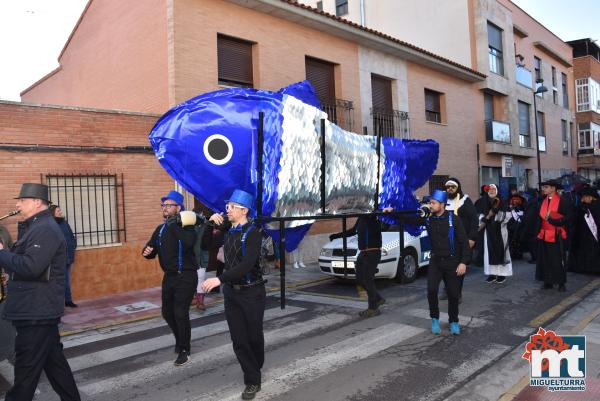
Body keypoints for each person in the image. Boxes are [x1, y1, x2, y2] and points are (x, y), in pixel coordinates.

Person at [0, 183, 81, 401]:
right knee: (55, 364)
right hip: (38, 309)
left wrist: (1, 253)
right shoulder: (36, 226)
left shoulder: (44, 228)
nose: (17, 204)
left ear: (36, 202)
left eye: (22, 200)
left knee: (26, 372)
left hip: (36, 312)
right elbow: (27, 264)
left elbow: (30, 267)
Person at [202, 189, 265, 400]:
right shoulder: (228, 230)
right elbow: (205, 245)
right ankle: (252, 380)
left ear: (244, 210)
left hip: (252, 292)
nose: (226, 210)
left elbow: (247, 264)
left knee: (254, 337)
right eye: (227, 206)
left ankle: (256, 366)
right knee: (239, 339)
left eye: (231, 207)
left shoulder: (253, 233)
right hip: (232, 294)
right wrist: (209, 224)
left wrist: (219, 279)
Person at [400, 190, 470, 335]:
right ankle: (434, 319)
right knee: (431, 290)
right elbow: (409, 219)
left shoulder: (454, 219)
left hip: (452, 262)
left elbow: (464, 242)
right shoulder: (428, 219)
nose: (430, 205)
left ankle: (453, 321)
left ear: (442, 204)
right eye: (430, 202)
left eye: (433, 203)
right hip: (436, 261)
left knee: (453, 294)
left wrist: (463, 262)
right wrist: (393, 212)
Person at [143, 190, 197, 366]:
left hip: (186, 275)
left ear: (178, 208)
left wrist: (175, 224)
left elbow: (189, 243)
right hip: (170, 277)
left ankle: (185, 349)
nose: (164, 208)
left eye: (168, 205)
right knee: (167, 312)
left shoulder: (187, 226)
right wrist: (147, 252)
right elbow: (152, 248)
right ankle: (180, 339)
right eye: (163, 205)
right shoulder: (160, 230)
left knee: (180, 312)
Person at [329, 209, 392, 318]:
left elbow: (381, 220)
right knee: (359, 279)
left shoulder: (373, 217)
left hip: (373, 252)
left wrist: (383, 212)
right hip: (362, 253)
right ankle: (378, 298)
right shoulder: (361, 218)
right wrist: (336, 236)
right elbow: (352, 231)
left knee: (368, 279)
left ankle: (373, 308)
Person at [443, 177, 478, 301]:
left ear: (458, 188)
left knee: (459, 267)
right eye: (448, 187)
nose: (450, 189)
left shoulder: (465, 201)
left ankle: (457, 293)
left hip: (461, 240)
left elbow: (474, 220)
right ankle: (447, 290)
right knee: (446, 266)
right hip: (446, 239)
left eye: (453, 187)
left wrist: (472, 238)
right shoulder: (443, 201)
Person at [535, 179, 573, 292]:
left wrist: (557, 222)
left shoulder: (563, 200)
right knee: (545, 259)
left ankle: (561, 283)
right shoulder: (542, 201)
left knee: (558, 259)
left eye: (546, 187)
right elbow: (539, 218)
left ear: (553, 188)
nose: (544, 189)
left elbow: (569, 217)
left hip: (557, 234)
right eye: (544, 187)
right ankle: (548, 281)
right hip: (544, 233)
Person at [477, 184, 513, 284]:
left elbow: (508, 216)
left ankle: (501, 274)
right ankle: (492, 274)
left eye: (493, 189)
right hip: (488, 231)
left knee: (501, 251)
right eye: (490, 189)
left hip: (500, 231)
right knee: (489, 252)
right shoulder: (484, 202)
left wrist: (497, 214)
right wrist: (486, 217)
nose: (491, 191)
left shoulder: (502, 202)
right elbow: (481, 216)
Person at [49, 205, 78, 307]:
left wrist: (73, 245)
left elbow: (72, 237)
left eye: (60, 210)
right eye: (58, 210)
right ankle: (57, 303)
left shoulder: (65, 223)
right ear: (53, 212)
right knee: (57, 282)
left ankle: (68, 300)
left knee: (67, 280)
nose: (60, 212)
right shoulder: (51, 225)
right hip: (58, 259)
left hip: (68, 257)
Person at [568, 186, 600, 274]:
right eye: (582, 197)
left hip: (594, 234)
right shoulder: (581, 207)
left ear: (591, 197)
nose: (583, 198)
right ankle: (584, 268)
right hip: (583, 234)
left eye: (585, 197)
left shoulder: (597, 206)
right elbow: (575, 218)